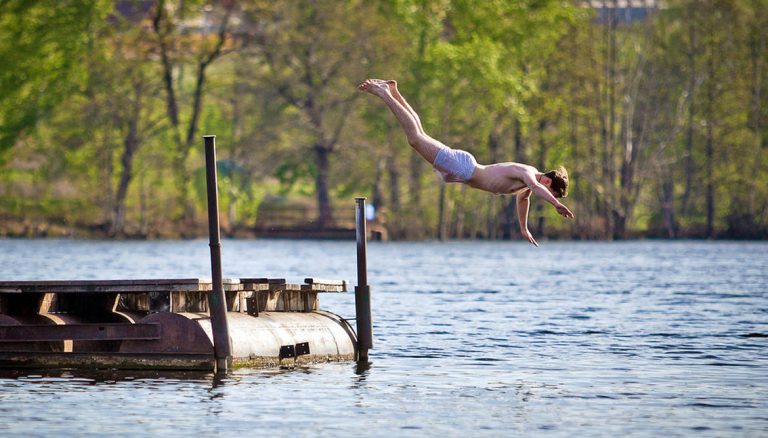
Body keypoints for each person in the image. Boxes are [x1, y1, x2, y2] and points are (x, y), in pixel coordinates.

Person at [357, 78, 574, 246]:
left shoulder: (527, 184)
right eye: (552, 193)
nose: (548, 197)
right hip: (465, 168)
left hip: (464, 168)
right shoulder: (530, 174)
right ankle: (384, 93)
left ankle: (393, 91)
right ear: (548, 183)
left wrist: (524, 228)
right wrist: (556, 204)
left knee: (420, 135)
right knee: (415, 138)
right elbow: (535, 189)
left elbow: (523, 201)